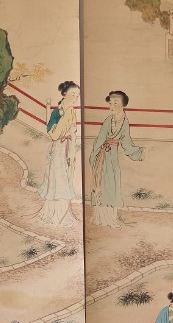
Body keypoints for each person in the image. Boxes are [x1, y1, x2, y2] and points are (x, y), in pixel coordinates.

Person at [87, 89, 143, 227]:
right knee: (101, 184)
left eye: (115, 102)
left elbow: (126, 141)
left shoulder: (124, 121)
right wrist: (94, 156)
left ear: (123, 104)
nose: (111, 106)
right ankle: (101, 217)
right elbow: (99, 139)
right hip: (102, 155)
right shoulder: (108, 120)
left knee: (112, 183)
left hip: (112, 156)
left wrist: (138, 153)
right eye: (110, 103)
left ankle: (111, 218)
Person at [34, 81, 80, 226]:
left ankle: (64, 215)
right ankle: (54, 215)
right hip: (58, 148)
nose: (75, 97)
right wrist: (65, 117)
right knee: (57, 179)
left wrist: (72, 155)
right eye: (73, 94)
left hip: (67, 147)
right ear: (65, 94)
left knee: (66, 178)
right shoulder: (58, 111)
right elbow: (53, 135)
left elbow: (73, 133)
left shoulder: (71, 110)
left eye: (77, 95)